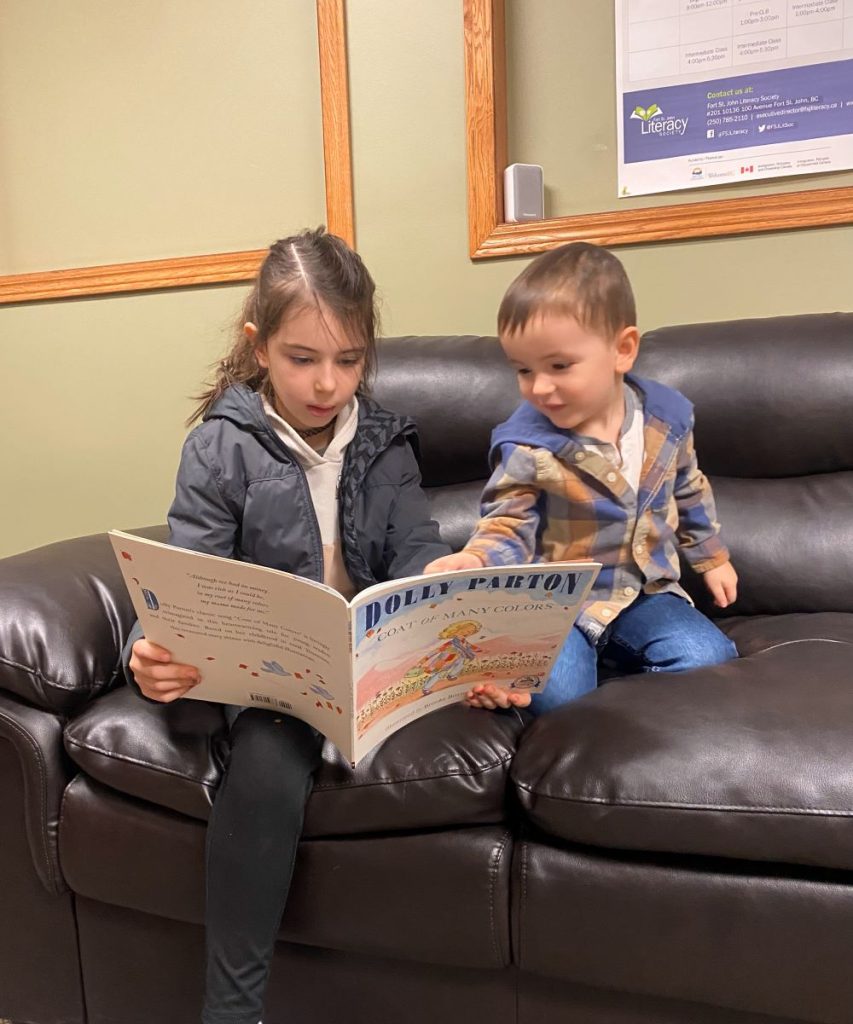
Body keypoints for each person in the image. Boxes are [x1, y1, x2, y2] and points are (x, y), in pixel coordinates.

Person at [123, 228, 450, 1024]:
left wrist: (442, 586)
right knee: (268, 758)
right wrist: (155, 654)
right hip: (276, 681)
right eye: (303, 358)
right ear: (257, 347)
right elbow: (189, 587)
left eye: (349, 360)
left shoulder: (388, 443)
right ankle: (232, 1012)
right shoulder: (217, 449)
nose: (328, 383)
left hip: (374, 664)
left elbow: (414, 555)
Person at [425, 241, 738, 714]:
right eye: (523, 370)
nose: (539, 387)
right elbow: (507, 523)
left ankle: (613, 685)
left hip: (643, 593)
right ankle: (534, 677)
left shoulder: (666, 420)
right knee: (557, 698)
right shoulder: (526, 444)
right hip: (556, 608)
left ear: (623, 350)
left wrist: (711, 559)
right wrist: (474, 559)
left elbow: (689, 488)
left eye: (559, 366)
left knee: (708, 660)